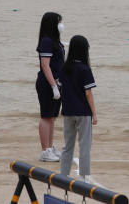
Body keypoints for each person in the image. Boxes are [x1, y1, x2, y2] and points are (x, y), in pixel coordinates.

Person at [58, 35, 98, 183]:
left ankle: (63, 174)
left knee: (67, 144)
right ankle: (82, 176)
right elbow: (88, 94)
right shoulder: (85, 69)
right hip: (82, 112)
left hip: (68, 111)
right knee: (84, 145)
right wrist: (94, 113)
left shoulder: (64, 68)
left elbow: (62, 89)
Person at [36, 12, 65, 162]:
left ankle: (50, 146)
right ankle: (44, 150)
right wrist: (53, 85)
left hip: (58, 83)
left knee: (53, 117)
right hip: (47, 83)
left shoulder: (56, 41)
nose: (61, 24)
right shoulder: (46, 41)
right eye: (59, 22)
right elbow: (45, 65)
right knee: (46, 116)